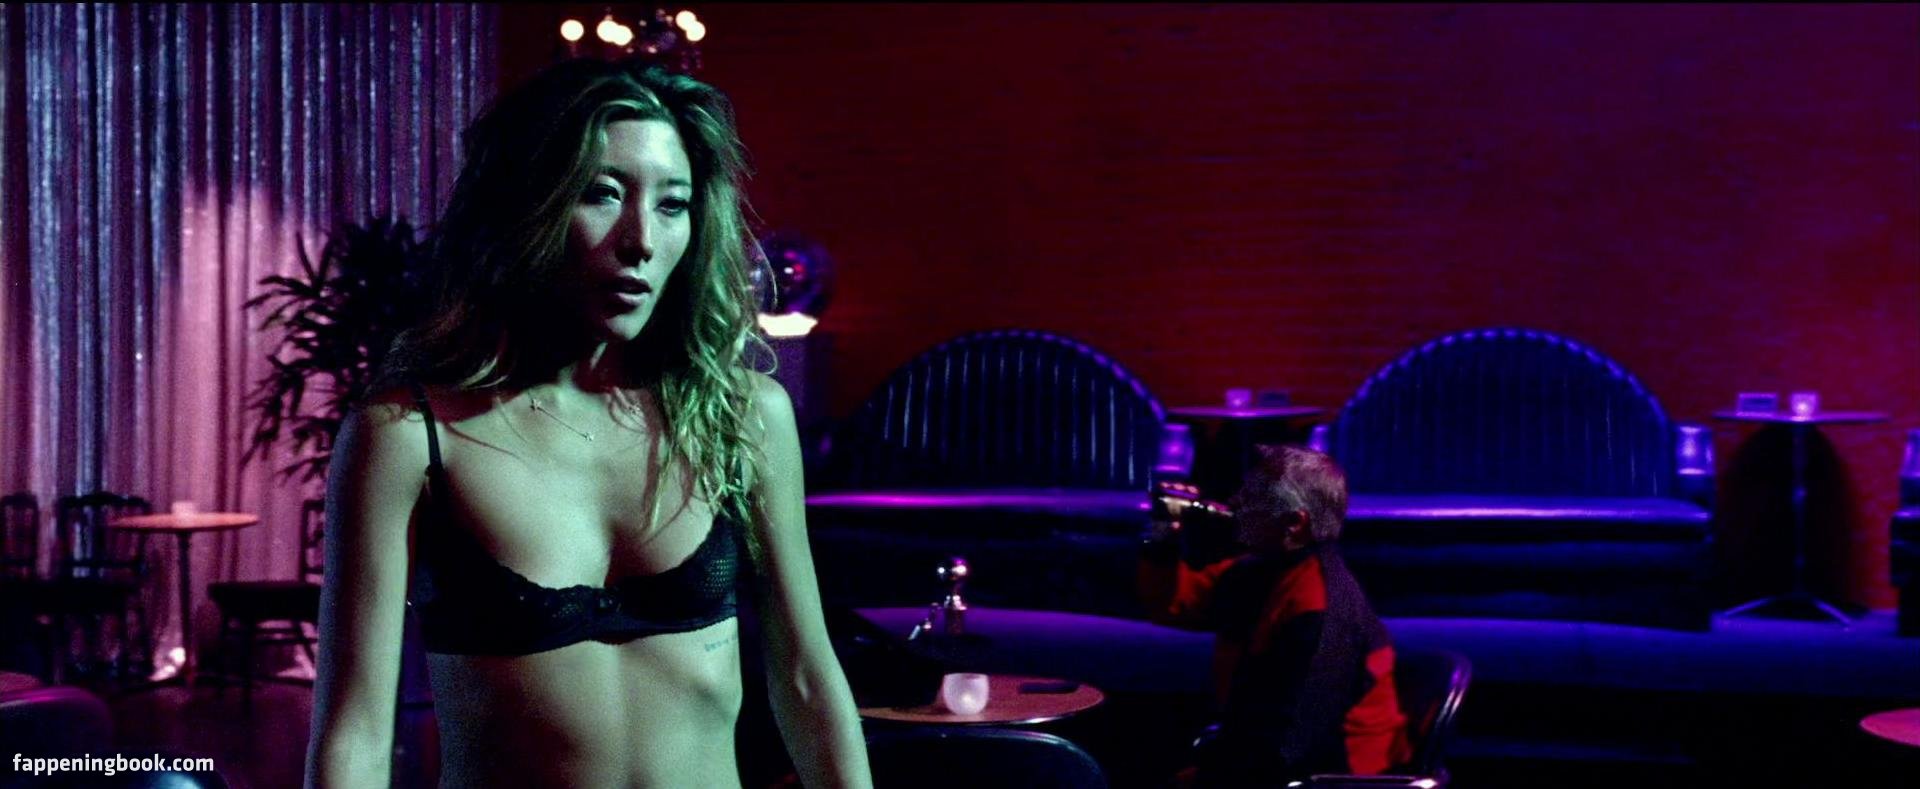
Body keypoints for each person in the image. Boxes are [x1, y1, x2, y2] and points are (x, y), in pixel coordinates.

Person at [304, 58, 871, 788]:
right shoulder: (410, 434)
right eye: (601, 194)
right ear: (526, 207)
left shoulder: (740, 417)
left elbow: (806, 680)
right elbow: (354, 735)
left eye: (673, 204)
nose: (641, 240)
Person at [1139, 446, 1408, 787]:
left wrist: (1212, 775)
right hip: (1277, 761)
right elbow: (1173, 604)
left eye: (1253, 497)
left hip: (1332, 778)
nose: (1235, 503)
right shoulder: (1258, 572)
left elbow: (1293, 744)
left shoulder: (1320, 609)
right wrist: (1163, 532)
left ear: (1294, 523)